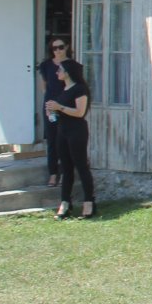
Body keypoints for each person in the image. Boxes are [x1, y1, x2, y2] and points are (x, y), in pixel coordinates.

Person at [46, 59, 93, 219]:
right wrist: (52, 113)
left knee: (81, 166)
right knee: (65, 169)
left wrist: (60, 107)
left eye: (60, 69)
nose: (57, 72)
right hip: (62, 130)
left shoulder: (80, 89)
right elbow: (60, 114)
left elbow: (80, 112)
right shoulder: (63, 89)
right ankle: (65, 203)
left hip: (77, 131)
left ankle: (89, 203)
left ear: (68, 72)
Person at [39, 39, 69, 187]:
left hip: (66, 106)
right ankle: (53, 174)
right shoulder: (46, 65)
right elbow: (44, 86)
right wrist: (48, 102)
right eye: (54, 48)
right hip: (51, 106)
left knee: (64, 139)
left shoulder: (71, 65)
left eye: (60, 47)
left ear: (66, 47)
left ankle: (65, 172)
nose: (57, 50)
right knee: (52, 139)